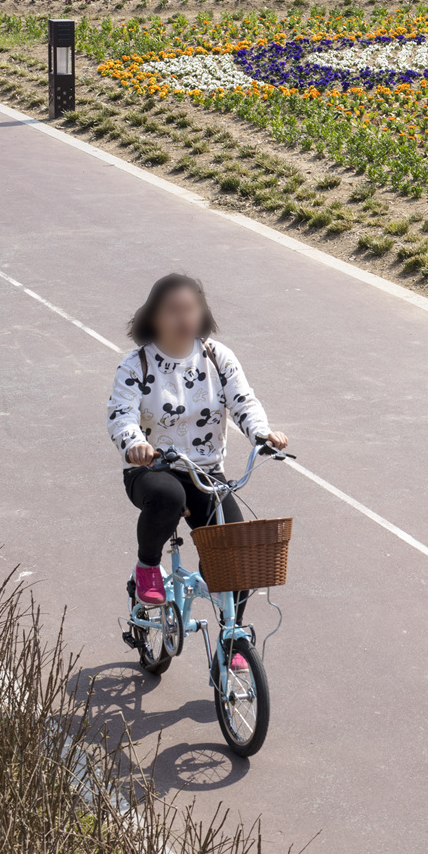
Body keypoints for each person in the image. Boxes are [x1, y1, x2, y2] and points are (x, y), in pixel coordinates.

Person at [106, 274, 290, 667]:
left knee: (236, 558)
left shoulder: (217, 357)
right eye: (173, 310)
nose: (183, 318)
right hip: (152, 470)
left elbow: (243, 402)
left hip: (205, 473)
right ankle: (147, 567)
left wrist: (262, 433)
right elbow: (120, 416)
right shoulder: (135, 364)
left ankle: (232, 638)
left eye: (191, 309)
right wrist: (135, 444)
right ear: (154, 316)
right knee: (169, 497)